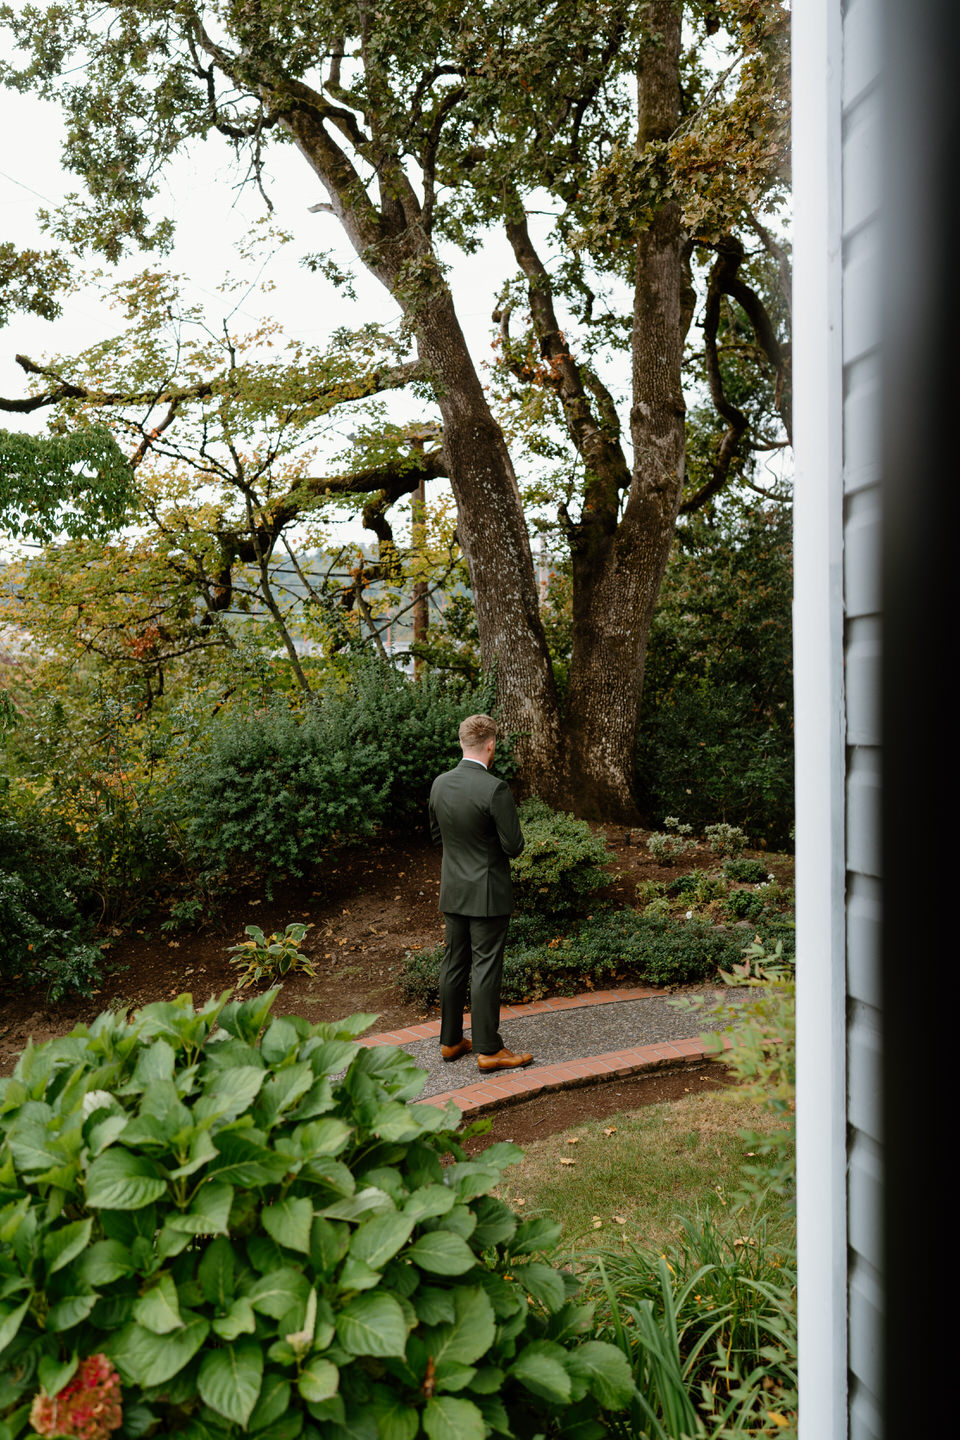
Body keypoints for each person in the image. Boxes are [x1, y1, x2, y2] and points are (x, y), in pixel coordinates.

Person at [428, 713, 533, 1072]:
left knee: (454, 963)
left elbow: (437, 837)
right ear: (491, 745)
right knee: (485, 967)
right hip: (488, 893)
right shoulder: (495, 789)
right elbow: (514, 846)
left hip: (453, 889)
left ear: (462, 743)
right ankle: (489, 1049)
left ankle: (451, 1041)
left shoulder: (440, 784)